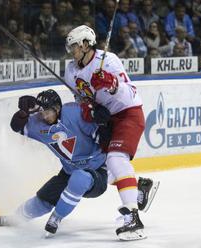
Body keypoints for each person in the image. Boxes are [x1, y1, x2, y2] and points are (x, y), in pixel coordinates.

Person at [64, 25, 159, 240]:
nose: (71, 51)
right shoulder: (70, 70)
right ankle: (139, 188)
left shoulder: (108, 61)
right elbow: (81, 99)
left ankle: (133, 218)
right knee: (105, 171)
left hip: (127, 113)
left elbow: (130, 92)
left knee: (116, 159)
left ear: (86, 44)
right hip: (106, 122)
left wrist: (112, 84)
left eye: (75, 47)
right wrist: (88, 109)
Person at [0, 89, 111, 235]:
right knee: (42, 200)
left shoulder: (75, 113)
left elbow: (104, 138)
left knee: (80, 178)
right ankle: (16, 218)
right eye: (42, 112)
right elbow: (16, 126)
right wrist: (23, 112)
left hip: (97, 170)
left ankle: (56, 218)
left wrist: (104, 123)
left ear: (58, 108)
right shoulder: (38, 123)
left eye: (48, 112)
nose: (45, 116)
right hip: (68, 172)